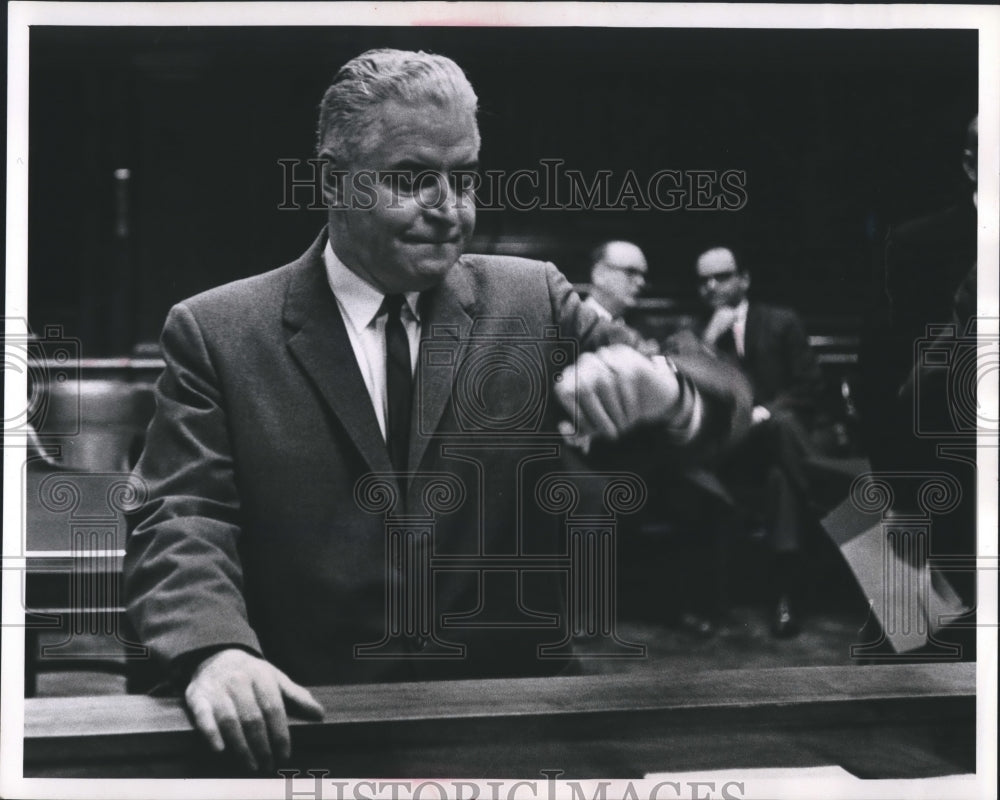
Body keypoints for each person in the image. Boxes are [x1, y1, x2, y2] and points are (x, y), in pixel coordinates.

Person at [124, 49, 741, 773]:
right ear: (333, 180)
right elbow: (183, 517)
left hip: (512, 725)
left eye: (465, 178)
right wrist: (215, 649)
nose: (449, 208)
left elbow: (713, 399)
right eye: (412, 178)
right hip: (309, 725)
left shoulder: (533, 301)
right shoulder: (218, 331)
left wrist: (663, 391)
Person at [692, 245, 824, 637]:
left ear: (744, 279)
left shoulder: (781, 321)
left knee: (782, 476)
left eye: (722, 276)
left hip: (776, 443)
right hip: (726, 450)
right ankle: (826, 490)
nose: (711, 286)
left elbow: (809, 386)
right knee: (785, 441)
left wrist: (764, 414)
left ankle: (785, 596)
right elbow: (690, 396)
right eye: (703, 280)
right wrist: (707, 344)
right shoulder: (692, 331)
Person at [583, 240, 649, 321]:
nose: (641, 282)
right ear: (599, 273)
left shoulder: (638, 330)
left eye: (642, 275)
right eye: (630, 271)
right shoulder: (570, 325)